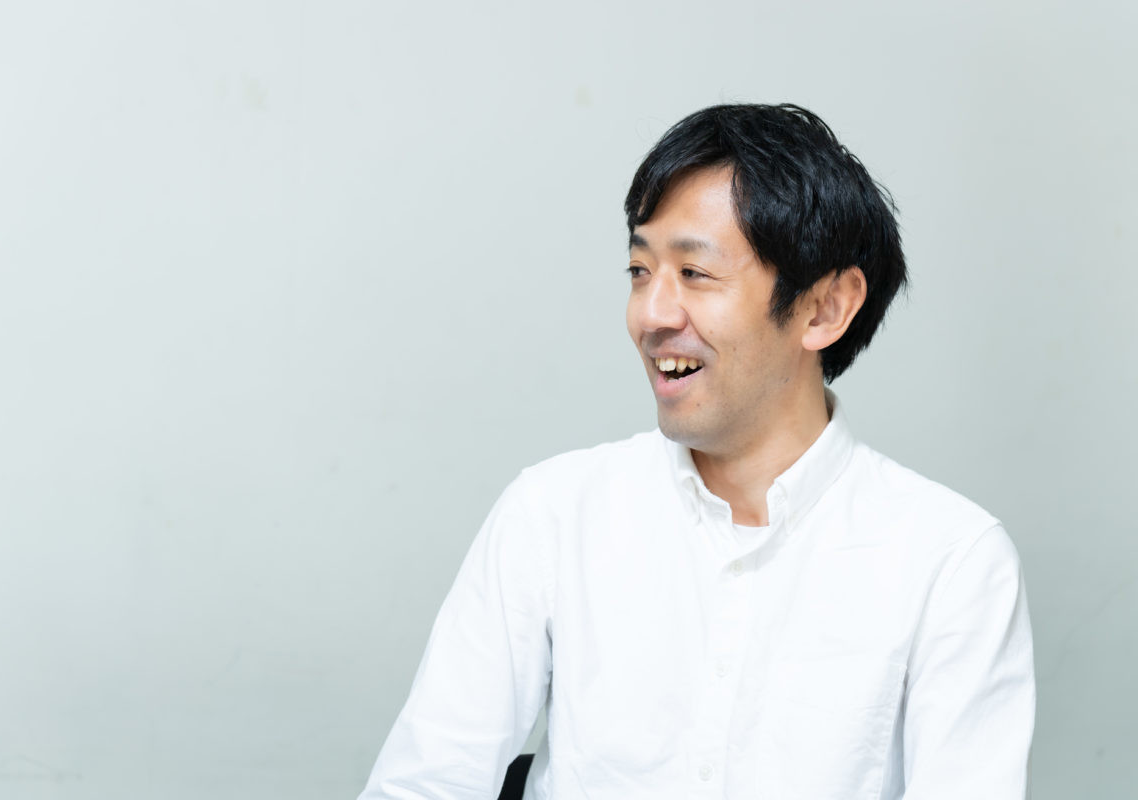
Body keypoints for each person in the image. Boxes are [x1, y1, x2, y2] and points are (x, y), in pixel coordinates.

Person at [358, 104, 1035, 799]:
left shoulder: (951, 562)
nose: (651, 315)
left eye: (694, 272)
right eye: (639, 269)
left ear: (824, 308)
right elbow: (425, 782)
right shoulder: (554, 514)